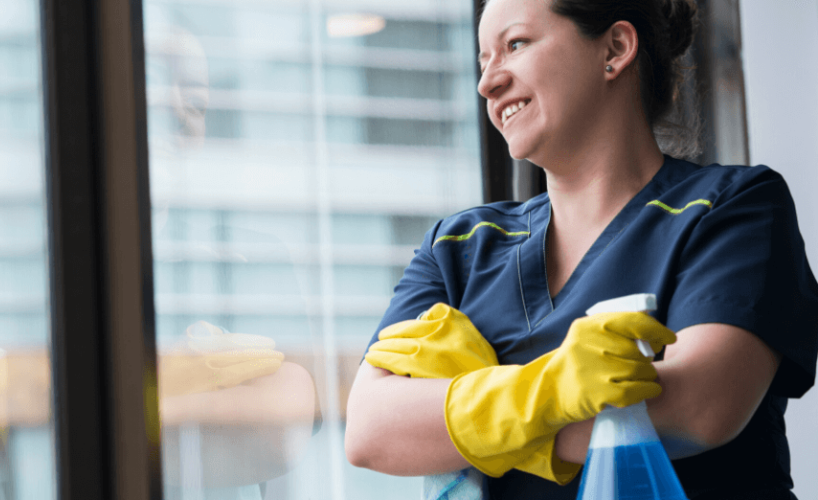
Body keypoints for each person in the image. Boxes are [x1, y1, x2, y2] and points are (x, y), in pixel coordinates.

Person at [343, 0, 818, 499]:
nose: (488, 82)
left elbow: (698, 410)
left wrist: (460, 424)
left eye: (515, 45)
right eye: (484, 61)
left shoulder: (730, 207)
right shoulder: (457, 247)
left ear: (614, 49)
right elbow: (371, 428)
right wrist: (548, 393)